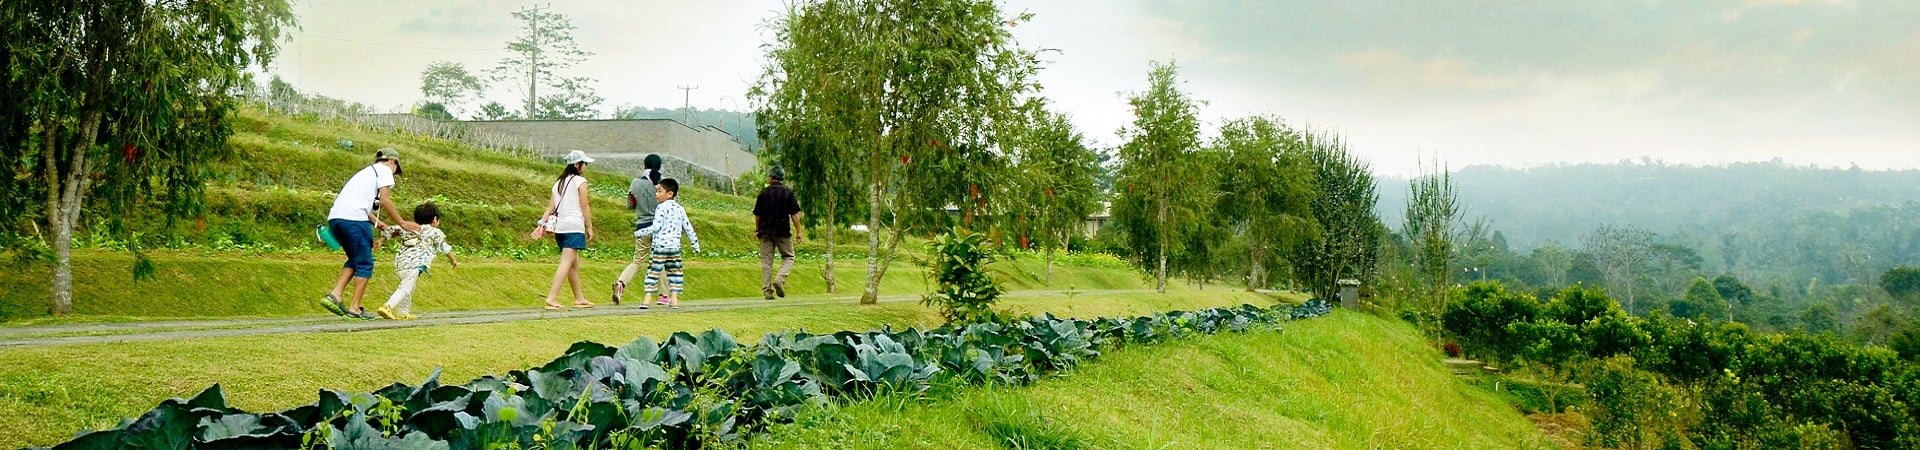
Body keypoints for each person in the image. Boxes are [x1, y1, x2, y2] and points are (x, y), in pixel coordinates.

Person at [321, 148, 419, 319]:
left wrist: (380, 224)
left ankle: (335, 295)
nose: (394, 175)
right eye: (396, 170)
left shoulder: (364, 174)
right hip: (354, 220)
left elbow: (359, 206)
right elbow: (384, 200)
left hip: (336, 219)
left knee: (356, 259)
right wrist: (402, 223)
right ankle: (355, 308)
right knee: (365, 263)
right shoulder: (385, 170)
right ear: (392, 162)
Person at [374, 202, 457, 320]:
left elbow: (392, 229)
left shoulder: (409, 227)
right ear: (435, 219)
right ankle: (387, 306)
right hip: (414, 265)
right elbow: (444, 247)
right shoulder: (435, 232)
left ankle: (403, 312)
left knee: (408, 287)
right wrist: (452, 259)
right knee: (405, 288)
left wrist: (381, 240)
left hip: (401, 264)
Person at [536, 150, 597, 310]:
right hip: (574, 226)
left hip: (560, 227)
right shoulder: (580, 181)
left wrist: (542, 223)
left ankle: (579, 298)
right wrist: (589, 227)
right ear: (577, 164)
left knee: (572, 265)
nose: (586, 166)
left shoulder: (558, 183)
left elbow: (551, 206)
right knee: (566, 262)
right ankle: (552, 298)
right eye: (585, 163)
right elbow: (584, 205)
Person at [634, 178, 701, 308]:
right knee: (675, 272)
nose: (656, 194)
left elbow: (656, 226)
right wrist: (695, 244)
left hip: (660, 246)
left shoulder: (661, 208)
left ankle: (647, 299)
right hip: (674, 248)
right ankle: (674, 299)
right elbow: (688, 227)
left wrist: (640, 232)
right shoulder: (680, 209)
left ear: (669, 194)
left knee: (653, 271)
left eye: (659, 191)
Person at [613, 154, 664, 306]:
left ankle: (621, 284)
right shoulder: (663, 185)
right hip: (659, 227)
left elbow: (630, 205)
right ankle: (663, 296)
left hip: (642, 227)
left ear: (644, 165)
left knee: (637, 261)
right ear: (659, 166)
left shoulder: (635, 183)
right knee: (660, 260)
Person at [751, 166, 803, 300]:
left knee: (767, 262)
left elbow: (758, 215)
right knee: (789, 256)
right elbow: (794, 214)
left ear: (771, 177)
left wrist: (757, 229)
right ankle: (780, 279)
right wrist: (799, 231)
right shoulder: (788, 193)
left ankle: (767, 292)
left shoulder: (763, 193)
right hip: (782, 231)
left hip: (765, 231)